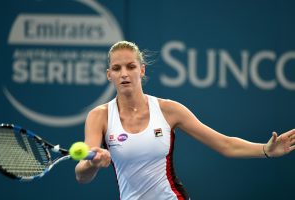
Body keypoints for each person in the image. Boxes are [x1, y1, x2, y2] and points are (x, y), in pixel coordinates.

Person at [75, 41, 295, 200]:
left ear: (141, 70)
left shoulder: (169, 110)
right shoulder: (100, 116)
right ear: (108, 74)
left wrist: (266, 150)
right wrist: (92, 163)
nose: (124, 73)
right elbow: (81, 175)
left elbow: (225, 145)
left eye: (131, 66)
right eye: (117, 68)